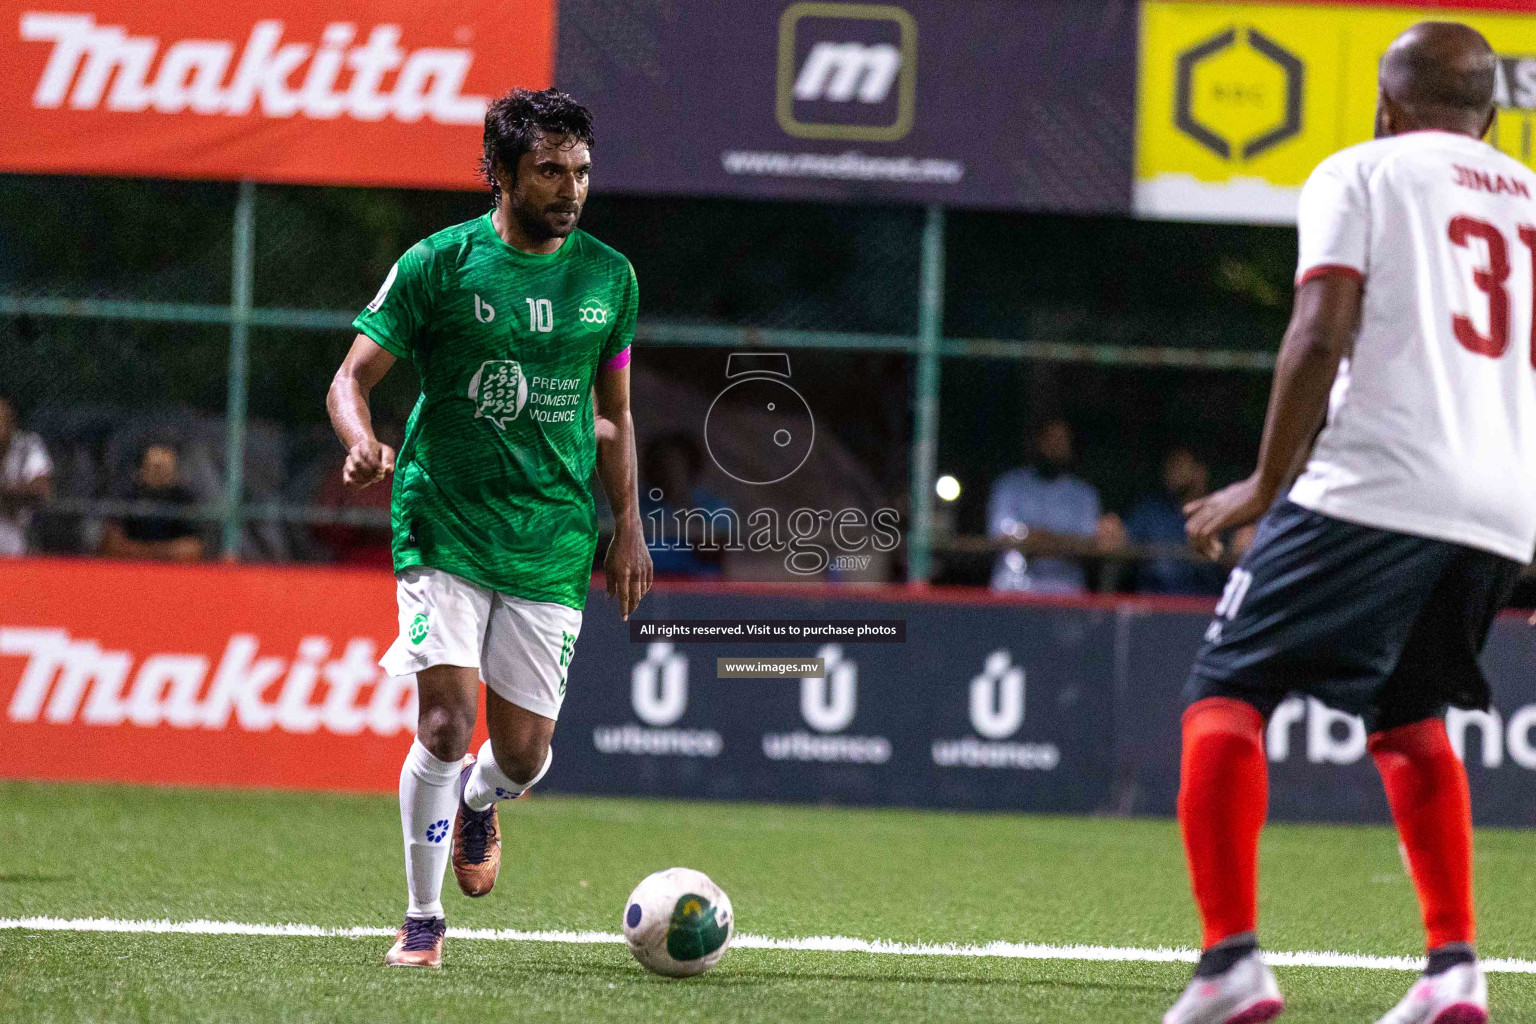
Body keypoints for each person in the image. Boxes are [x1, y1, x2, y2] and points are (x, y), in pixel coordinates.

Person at [1166, 23, 1533, 1024]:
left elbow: (1320, 328)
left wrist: (1260, 484)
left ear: (1386, 106)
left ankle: (1231, 962)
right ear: (1493, 120)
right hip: (1503, 507)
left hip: (1378, 480)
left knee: (1224, 692)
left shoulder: (1362, 170)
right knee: (1411, 718)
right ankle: (1455, 969)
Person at [327, 87, 651, 970]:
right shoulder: (438, 264)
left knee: (523, 753)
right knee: (444, 721)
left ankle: (483, 797)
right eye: (549, 170)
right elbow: (350, 379)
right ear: (501, 174)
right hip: (444, 521)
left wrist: (628, 523)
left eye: (581, 171)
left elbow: (614, 418)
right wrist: (362, 442)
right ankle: (422, 920)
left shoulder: (609, 278)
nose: (570, 189)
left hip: (550, 535)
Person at [986, 417, 1124, 594]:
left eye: (1061, 440)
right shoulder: (1009, 485)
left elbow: (1087, 543)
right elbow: (999, 533)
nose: (1054, 447)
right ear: (1037, 442)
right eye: (1049, 439)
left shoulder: (1083, 494)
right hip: (1012, 590)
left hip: (1065, 592)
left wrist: (1035, 539)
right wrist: (1060, 542)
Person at [1125, 447, 1227, 595]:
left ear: (1200, 472)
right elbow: (1122, 538)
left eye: (1179, 464)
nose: (1172, 472)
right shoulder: (1150, 511)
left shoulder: (1220, 513)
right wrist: (1113, 531)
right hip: (1154, 605)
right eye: (1170, 466)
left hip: (1203, 607)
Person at [639, 433, 730, 578]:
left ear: (691, 467)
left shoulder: (714, 508)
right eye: (660, 464)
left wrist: (682, 503)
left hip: (696, 586)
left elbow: (711, 552)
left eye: (675, 464)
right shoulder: (636, 507)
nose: (667, 472)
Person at [100, 443, 204, 563]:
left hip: (174, 572)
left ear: (175, 472)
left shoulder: (185, 500)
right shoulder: (126, 498)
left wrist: (149, 552)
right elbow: (111, 545)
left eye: (166, 469)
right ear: (141, 470)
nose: (159, 474)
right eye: (155, 467)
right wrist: (156, 553)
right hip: (130, 570)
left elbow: (193, 549)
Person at [0, 397, 54, 557]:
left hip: (18, 537)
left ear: (11, 423)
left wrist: (4, 493)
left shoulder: (28, 444)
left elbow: (42, 490)